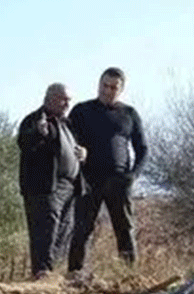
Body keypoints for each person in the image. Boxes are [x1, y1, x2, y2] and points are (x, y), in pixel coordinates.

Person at [66, 67, 148, 276]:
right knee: (82, 229)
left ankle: (128, 275)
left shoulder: (129, 114)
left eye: (113, 87)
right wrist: (79, 150)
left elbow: (142, 148)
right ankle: (75, 273)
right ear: (98, 84)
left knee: (124, 229)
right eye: (105, 85)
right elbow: (68, 139)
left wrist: (133, 175)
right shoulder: (81, 111)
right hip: (88, 178)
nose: (108, 90)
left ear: (121, 90)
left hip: (119, 180)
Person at [17, 83, 86, 279]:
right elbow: (24, 142)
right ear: (49, 98)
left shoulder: (67, 124)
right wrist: (39, 133)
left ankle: (52, 272)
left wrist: (83, 153)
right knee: (46, 229)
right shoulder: (34, 120)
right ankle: (42, 272)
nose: (67, 104)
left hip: (69, 186)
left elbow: (78, 148)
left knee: (63, 230)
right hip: (45, 187)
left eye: (69, 100)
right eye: (63, 99)